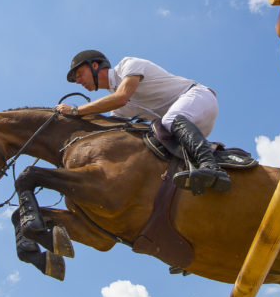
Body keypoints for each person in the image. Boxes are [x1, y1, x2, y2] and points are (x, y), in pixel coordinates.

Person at [55, 50, 230, 195]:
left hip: (199, 98)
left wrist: (75, 110)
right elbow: (105, 129)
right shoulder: (118, 110)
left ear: (94, 65)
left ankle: (211, 167)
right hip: (189, 127)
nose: (78, 81)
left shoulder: (127, 65)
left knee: (167, 121)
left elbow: (121, 97)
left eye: (79, 74)